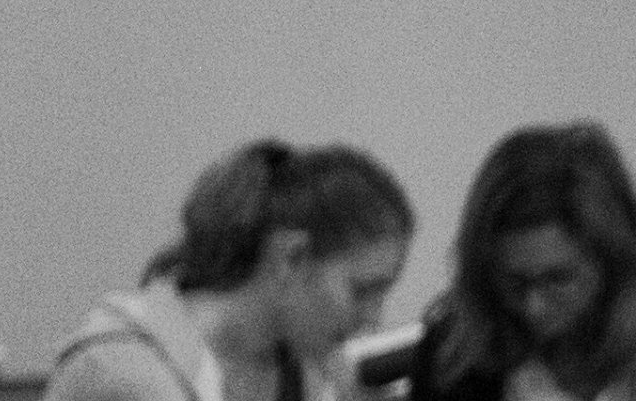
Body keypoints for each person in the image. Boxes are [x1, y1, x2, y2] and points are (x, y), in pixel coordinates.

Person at [50, 140, 414, 401]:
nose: (374, 319)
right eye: (362, 291)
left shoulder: (310, 371)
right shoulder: (123, 370)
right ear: (291, 259)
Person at [414, 121, 636, 401]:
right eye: (514, 281)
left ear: (613, 261)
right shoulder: (453, 358)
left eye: (558, 279)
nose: (533, 307)